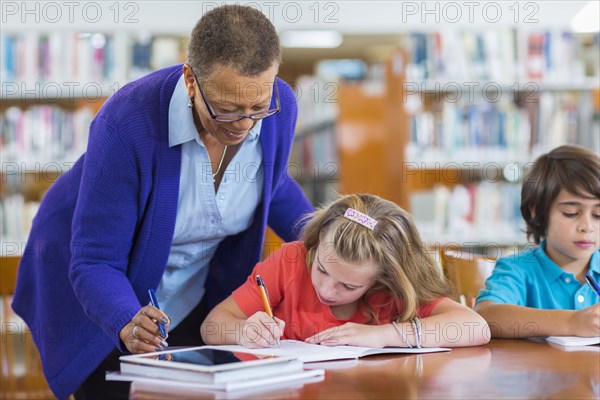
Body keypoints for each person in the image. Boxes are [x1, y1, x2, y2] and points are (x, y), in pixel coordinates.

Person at [11, 5, 313, 399]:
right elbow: (96, 260)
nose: (243, 125)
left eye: (257, 109)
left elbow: (270, 185)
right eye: (226, 110)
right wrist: (125, 319)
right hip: (97, 284)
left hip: (189, 291)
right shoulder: (126, 123)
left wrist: (327, 235)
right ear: (190, 80)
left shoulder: (281, 107)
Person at [201, 194, 490, 349]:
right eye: (322, 269)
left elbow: (476, 327)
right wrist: (242, 330)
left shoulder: (392, 290)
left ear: (383, 280)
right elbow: (212, 326)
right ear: (315, 244)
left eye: (348, 287)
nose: (326, 290)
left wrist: (383, 335)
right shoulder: (291, 260)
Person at [475, 145, 600, 338]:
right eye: (571, 213)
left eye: (598, 215)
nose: (587, 226)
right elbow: (485, 317)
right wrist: (570, 323)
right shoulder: (518, 269)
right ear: (538, 212)